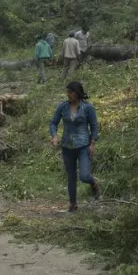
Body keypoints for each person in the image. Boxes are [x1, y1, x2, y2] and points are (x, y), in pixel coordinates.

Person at [49, 81, 101, 212]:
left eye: (70, 92)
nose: (68, 95)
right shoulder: (63, 107)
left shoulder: (87, 108)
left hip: (84, 145)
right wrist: (54, 136)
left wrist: (93, 143)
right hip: (67, 146)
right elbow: (53, 123)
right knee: (71, 176)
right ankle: (73, 204)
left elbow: (94, 126)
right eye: (67, 92)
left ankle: (93, 183)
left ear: (77, 93)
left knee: (84, 175)